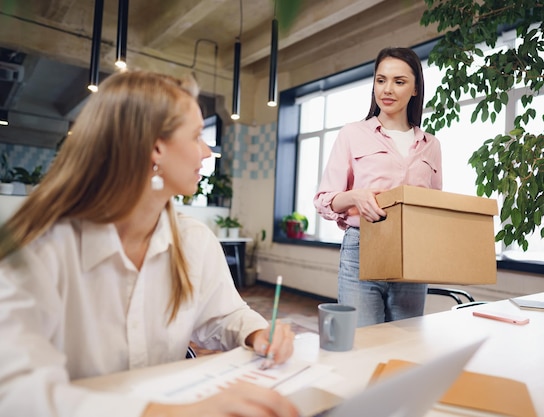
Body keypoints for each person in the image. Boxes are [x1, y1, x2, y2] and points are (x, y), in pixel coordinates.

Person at [0, 70, 298, 417]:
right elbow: (13, 390)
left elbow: (223, 314)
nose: (206, 152)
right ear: (156, 148)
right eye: (197, 136)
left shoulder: (194, 241)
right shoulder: (39, 246)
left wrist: (258, 332)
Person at [313, 47, 442, 327]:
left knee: (405, 342)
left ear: (416, 89)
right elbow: (324, 200)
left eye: (399, 81)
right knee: (363, 342)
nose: (387, 89)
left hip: (413, 253)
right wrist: (355, 197)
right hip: (362, 247)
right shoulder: (352, 134)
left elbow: (435, 208)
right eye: (381, 80)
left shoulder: (431, 145)